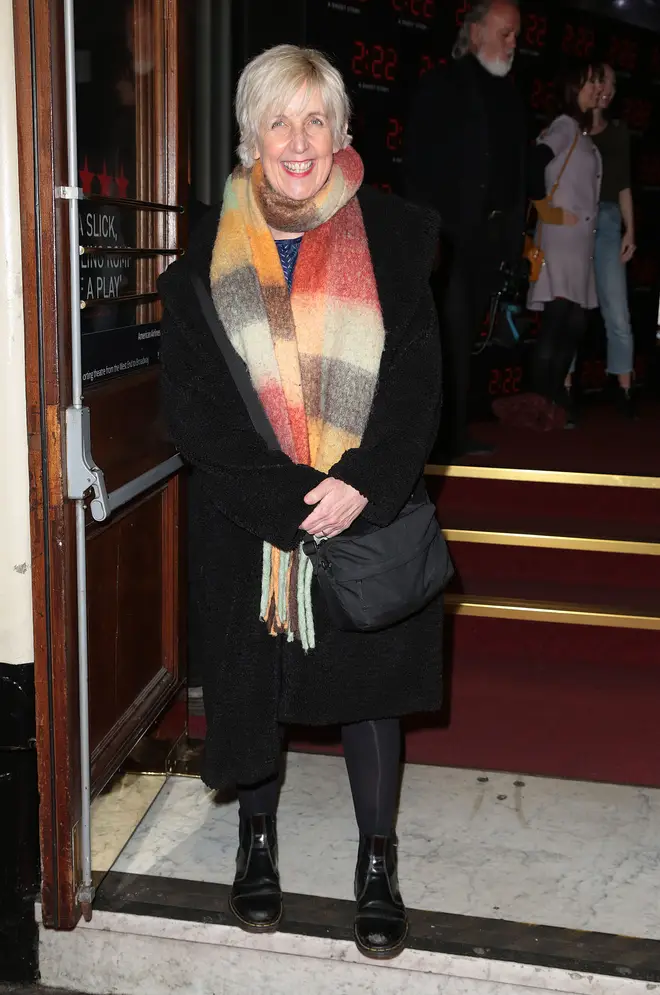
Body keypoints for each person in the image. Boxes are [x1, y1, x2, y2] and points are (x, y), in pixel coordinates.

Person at [158, 44, 443, 960]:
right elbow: (193, 407)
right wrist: (290, 498)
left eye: (316, 118)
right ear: (251, 134)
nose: (298, 139)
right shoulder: (202, 252)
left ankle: (377, 860)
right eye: (279, 118)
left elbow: (417, 384)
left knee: (370, 687)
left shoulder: (395, 236)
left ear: (343, 132)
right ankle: (258, 839)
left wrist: (359, 481)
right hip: (253, 516)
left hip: (365, 507)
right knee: (255, 682)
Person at [405, 0, 525, 459]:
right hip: (448, 238)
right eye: (506, 33)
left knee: (468, 334)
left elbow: (512, 174)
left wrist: (512, 238)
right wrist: (430, 234)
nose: (513, 43)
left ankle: (457, 429)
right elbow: (418, 164)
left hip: (489, 239)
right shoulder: (442, 85)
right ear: (475, 33)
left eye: (516, 34)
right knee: (448, 334)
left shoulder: (510, 95)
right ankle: (441, 437)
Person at [494, 63, 603, 430]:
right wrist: (547, 211)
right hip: (560, 242)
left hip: (579, 245)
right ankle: (541, 403)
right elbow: (534, 166)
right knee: (558, 322)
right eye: (588, 83)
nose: (595, 88)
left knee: (572, 324)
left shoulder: (581, 132)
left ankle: (551, 398)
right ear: (574, 89)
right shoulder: (564, 126)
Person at [566, 62, 636, 418]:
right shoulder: (568, 128)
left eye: (611, 83)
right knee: (570, 308)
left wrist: (630, 231)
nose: (606, 89)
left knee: (617, 311)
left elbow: (623, 185)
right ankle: (563, 389)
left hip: (607, 220)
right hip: (573, 221)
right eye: (600, 81)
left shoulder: (618, 133)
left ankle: (624, 392)